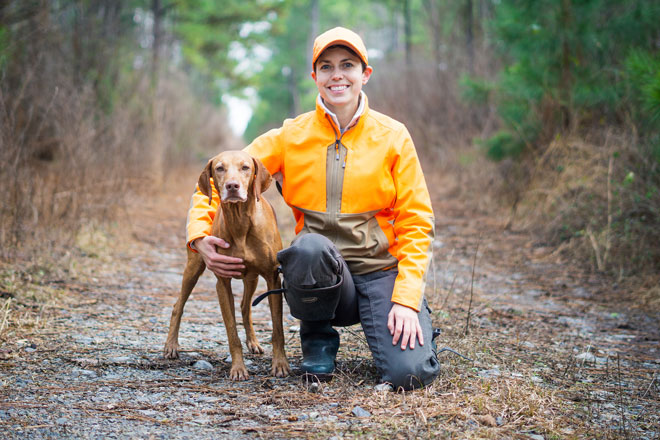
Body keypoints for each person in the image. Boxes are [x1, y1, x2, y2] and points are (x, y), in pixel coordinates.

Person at [186, 27, 440, 390]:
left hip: (380, 271)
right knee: (307, 247)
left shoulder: (393, 136)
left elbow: (417, 220)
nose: (337, 75)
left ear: (364, 74)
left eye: (347, 65)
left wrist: (407, 298)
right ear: (315, 77)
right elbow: (227, 174)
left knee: (410, 375)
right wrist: (199, 237)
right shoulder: (291, 136)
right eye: (327, 67)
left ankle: (403, 331)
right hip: (321, 275)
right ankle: (317, 338)